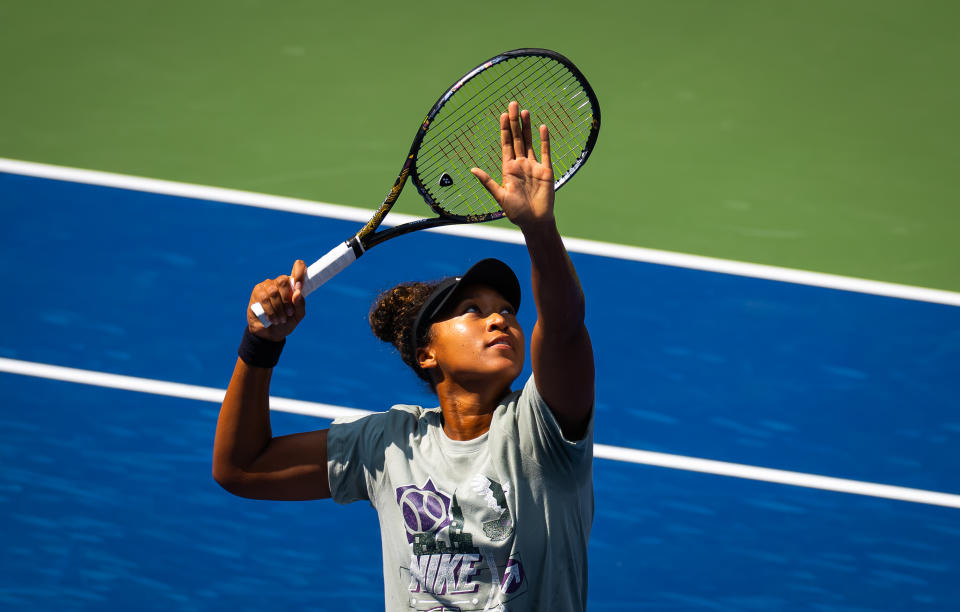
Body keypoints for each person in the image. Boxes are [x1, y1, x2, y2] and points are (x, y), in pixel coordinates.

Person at [213, 101, 595, 611]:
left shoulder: (541, 433)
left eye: (506, 309)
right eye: (472, 311)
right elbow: (242, 467)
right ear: (426, 353)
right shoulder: (388, 445)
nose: (500, 318)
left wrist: (538, 230)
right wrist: (261, 343)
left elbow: (565, 326)